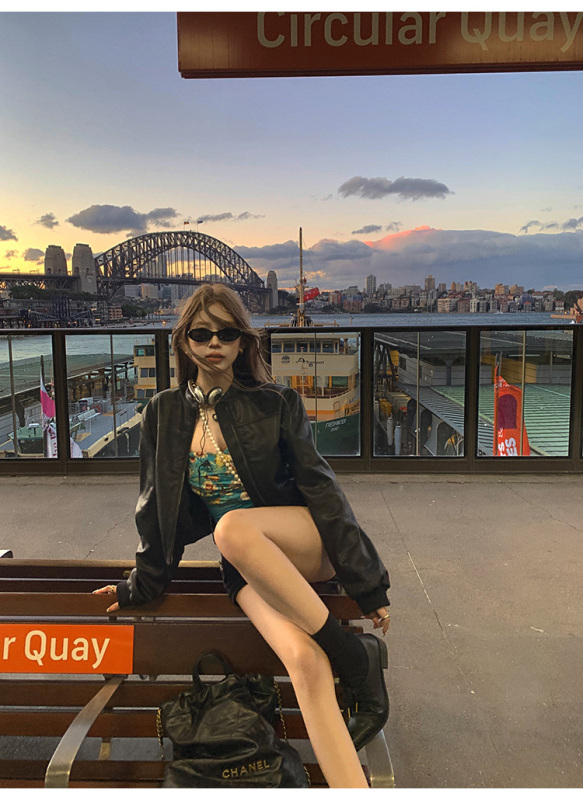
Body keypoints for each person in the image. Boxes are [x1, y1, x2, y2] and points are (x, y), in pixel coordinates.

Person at [94, 283, 391, 788]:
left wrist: (367, 582)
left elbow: (324, 492)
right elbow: (156, 512)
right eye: (201, 333)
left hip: (302, 542)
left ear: (241, 343)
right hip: (245, 563)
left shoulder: (276, 403)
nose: (214, 342)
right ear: (184, 340)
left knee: (230, 527)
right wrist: (137, 587)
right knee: (303, 661)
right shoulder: (162, 414)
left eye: (227, 333)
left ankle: (351, 658)